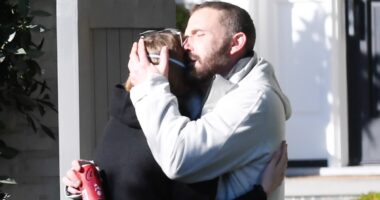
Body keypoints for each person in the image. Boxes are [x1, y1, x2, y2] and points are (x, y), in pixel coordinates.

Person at [63, 30, 288, 200]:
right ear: (181, 77)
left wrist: (80, 185)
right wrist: (262, 191)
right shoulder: (174, 140)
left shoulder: (119, 119)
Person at [127, 1, 292, 199]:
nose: (185, 44)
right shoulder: (216, 86)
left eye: (199, 34)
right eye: (186, 36)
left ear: (235, 43)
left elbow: (178, 159)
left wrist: (151, 86)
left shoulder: (253, 100)